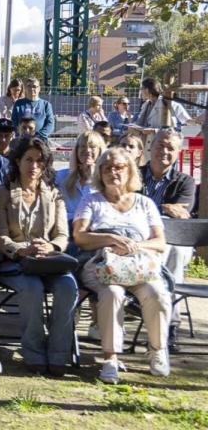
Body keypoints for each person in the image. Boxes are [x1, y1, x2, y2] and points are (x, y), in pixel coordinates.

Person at [75, 148, 170, 383]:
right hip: (103, 267)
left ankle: (157, 350)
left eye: (118, 167)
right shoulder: (91, 201)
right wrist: (111, 239)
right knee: (112, 293)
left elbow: (159, 242)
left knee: (157, 293)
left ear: (129, 171)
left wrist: (134, 245)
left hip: (139, 266)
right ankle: (110, 358)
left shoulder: (145, 204)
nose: (112, 172)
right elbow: (80, 236)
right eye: (106, 168)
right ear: (100, 173)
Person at [0, 136, 76, 375]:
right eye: (29, 160)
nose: (34, 166)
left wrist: (50, 247)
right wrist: (21, 249)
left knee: (68, 287)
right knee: (32, 288)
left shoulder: (53, 195)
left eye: (40, 161)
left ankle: (59, 352)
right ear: (17, 161)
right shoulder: (3, 193)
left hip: (48, 262)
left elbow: (62, 235)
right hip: (15, 263)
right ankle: (34, 351)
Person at [140, 129, 196, 351]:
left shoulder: (185, 182)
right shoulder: (133, 174)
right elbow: (123, 206)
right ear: (150, 147)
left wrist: (144, 207)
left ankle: (168, 326)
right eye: (160, 145)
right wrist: (163, 208)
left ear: (178, 153)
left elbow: (181, 213)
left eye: (170, 148)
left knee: (175, 252)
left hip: (172, 241)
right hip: (139, 240)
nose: (164, 151)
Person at [55, 131, 108, 225]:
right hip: (66, 228)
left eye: (92, 147)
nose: (87, 150)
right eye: (83, 146)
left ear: (100, 151)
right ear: (76, 150)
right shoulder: (61, 176)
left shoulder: (107, 180)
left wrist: (91, 179)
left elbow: (101, 214)